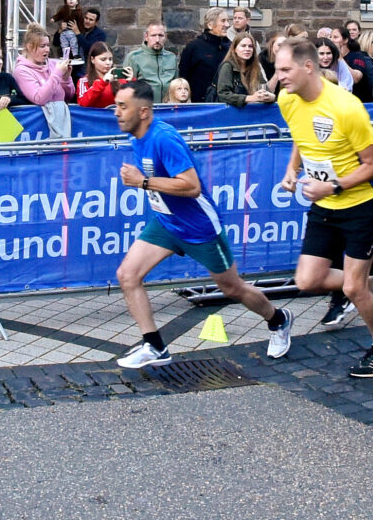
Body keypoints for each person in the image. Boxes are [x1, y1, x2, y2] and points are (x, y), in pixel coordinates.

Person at [111, 79, 294, 367]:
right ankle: (155, 346)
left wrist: (143, 182)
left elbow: (191, 186)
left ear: (144, 111)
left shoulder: (163, 138)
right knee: (127, 275)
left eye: (123, 106)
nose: (117, 112)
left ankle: (278, 319)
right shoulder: (136, 137)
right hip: (167, 223)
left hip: (200, 227)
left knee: (233, 288)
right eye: (116, 106)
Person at [275, 36, 373, 377]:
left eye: (285, 69)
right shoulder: (287, 99)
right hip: (325, 202)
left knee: (353, 288)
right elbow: (301, 136)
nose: (279, 75)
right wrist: (291, 169)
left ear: (309, 66)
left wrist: (333, 184)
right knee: (307, 279)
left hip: (361, 202)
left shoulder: (346, 107)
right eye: (277, 68)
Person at [178, 7, 232, 103]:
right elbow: (183, 78)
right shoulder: (193, 47)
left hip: (226, 103)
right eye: (223, 21)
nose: (227, 25)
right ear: (210, 25)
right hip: (200, 105)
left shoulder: (231, 47)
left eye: (228, 21)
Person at [13, 23, 73, 106]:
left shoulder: (54, 64)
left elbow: (69, 97)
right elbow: (39, 99)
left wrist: (65, 79)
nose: (47, 49)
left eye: (48, 45)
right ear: (29, 47)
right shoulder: (22, 70)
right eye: (42, 46)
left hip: (60, 116)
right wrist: (57, 74)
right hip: (38, 117)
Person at [122, 22, 179, 103]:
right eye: (153, 35)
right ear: (146, 37)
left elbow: (177, 84)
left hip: (168, 109)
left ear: (165, 37)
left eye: (160, 35)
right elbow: (126, 86)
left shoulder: (171, 57)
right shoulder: (134, 57)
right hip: (144, 107)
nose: (157, 40)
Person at [214, 32, 275, 108]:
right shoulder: (228, 66)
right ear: (235, 49)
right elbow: (223, 94)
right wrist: (249, 98)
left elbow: (264, 88)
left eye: (250, 46)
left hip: (251, 113)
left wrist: (271, 97)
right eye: (243, 46)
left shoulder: (255, 67)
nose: (247, 49)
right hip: (230, 113)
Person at [77, 42, 121, 109]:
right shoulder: (84, 81)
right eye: (103, 59)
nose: (108, 63)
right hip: (95, 118)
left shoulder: (119, 79)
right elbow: (83, 103)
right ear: (92, 60)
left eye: (110, 59)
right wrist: (102, 82)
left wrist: (131, 83)